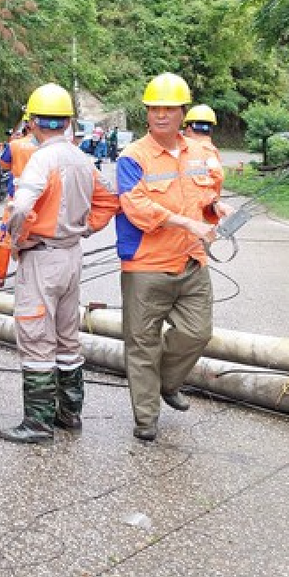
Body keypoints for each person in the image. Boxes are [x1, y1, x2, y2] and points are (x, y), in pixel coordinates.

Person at [0, 84, 119, 444]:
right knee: (67, 338)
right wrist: (85, 228)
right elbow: (108, 201)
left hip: (42, 257)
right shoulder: (82, 159)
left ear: (33, 122)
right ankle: (70, 413)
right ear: (68, 122)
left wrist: (18, 239)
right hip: (70, 255)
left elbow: (20, 207)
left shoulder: (42, 159)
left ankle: (37, 423)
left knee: (36, 336)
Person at [116, 73, 230, 442]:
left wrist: (215, 207)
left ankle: (166, 383)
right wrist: (185, 222)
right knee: (142, 344)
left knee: (198, 333)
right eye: (154, 108)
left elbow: (205, 197)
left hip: (192, 261)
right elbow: (136, 206)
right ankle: (146, 418)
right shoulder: (132, 157)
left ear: (183, 112)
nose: (161, 115)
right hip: (147, 266)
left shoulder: (201, 154)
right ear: (146, 113)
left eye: (169, 108)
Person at [0, 112, 38, 286]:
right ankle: (30, 279)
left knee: (5, 236)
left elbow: (4, 164)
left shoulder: (15, 145)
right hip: (42, 199)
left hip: (16, 197)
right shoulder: (48, 147)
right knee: (35, 237)